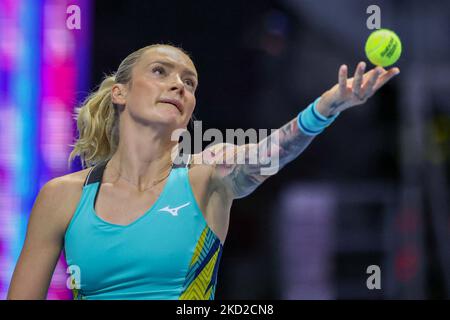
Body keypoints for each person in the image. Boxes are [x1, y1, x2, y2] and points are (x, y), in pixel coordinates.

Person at [7, 43, 400, 300]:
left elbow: (271, 152)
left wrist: (324, 110)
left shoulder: (207, 175)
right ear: (120, 93)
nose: (178, 85)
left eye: (189, 82)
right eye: (160, 72)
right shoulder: (63, 197)